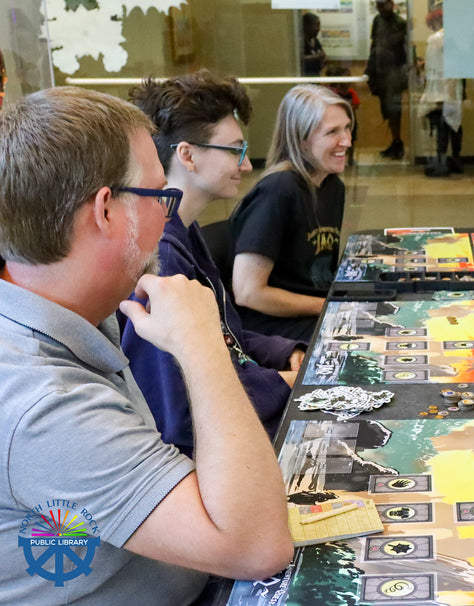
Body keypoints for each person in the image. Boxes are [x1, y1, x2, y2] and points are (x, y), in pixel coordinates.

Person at [0, 87, 291, 603]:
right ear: (105, 211)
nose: (167, 216)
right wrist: (201, 343)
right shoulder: (44, 403)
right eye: (160, 197)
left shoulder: (78, 312)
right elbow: (257, 546)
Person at [124, 71, 306, 458]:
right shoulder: (162, 257)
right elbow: (180, 411)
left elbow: (224, 336)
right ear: (187, 155)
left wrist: (282, 351)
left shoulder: (185, 230)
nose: (246, 165)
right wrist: (284, 382)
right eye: (235, 151)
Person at [230, 84, 352, 341]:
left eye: (347, 128)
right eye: (332, 132)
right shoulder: (278, 190)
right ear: (301, 139)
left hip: (312, 314)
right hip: (273, 328)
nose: (347, 141)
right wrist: (327, 307)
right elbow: (248, 292)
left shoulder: (332, 187)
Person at [417, 3, 465, 177]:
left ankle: (441, 162)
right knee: (455, 124)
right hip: (453, 85)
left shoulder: (435, 39)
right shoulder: (456, 37)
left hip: (439, 88)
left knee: (442, 124)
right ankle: (456, 160)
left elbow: (434, 68)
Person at [365, 0, 408, 160]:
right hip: (380, 71)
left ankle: (398, 143)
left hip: (395, 72)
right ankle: (395, 141)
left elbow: (404, 49)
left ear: (391, 3)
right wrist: (371, 68)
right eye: (378, 5)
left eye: (383, 4)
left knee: (394, 109)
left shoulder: (400, 23)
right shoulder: (378, 20)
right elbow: (374, 44)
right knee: (387, 109)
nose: (380, 8)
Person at [326, 64, 361, 166]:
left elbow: (356, 104)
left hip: (349, 119)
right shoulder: (331, 92)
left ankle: (350, 158)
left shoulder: (351, 92)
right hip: (334, 119)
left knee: (351, 139)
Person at [300, 12, 326, 77]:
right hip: (304, 77)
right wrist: (315, 57)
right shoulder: (299, 42)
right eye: (316, 25)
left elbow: (321, 53)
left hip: (315, 76)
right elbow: (297, 59)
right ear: (307, 26)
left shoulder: (315, 40)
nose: (318, 29)